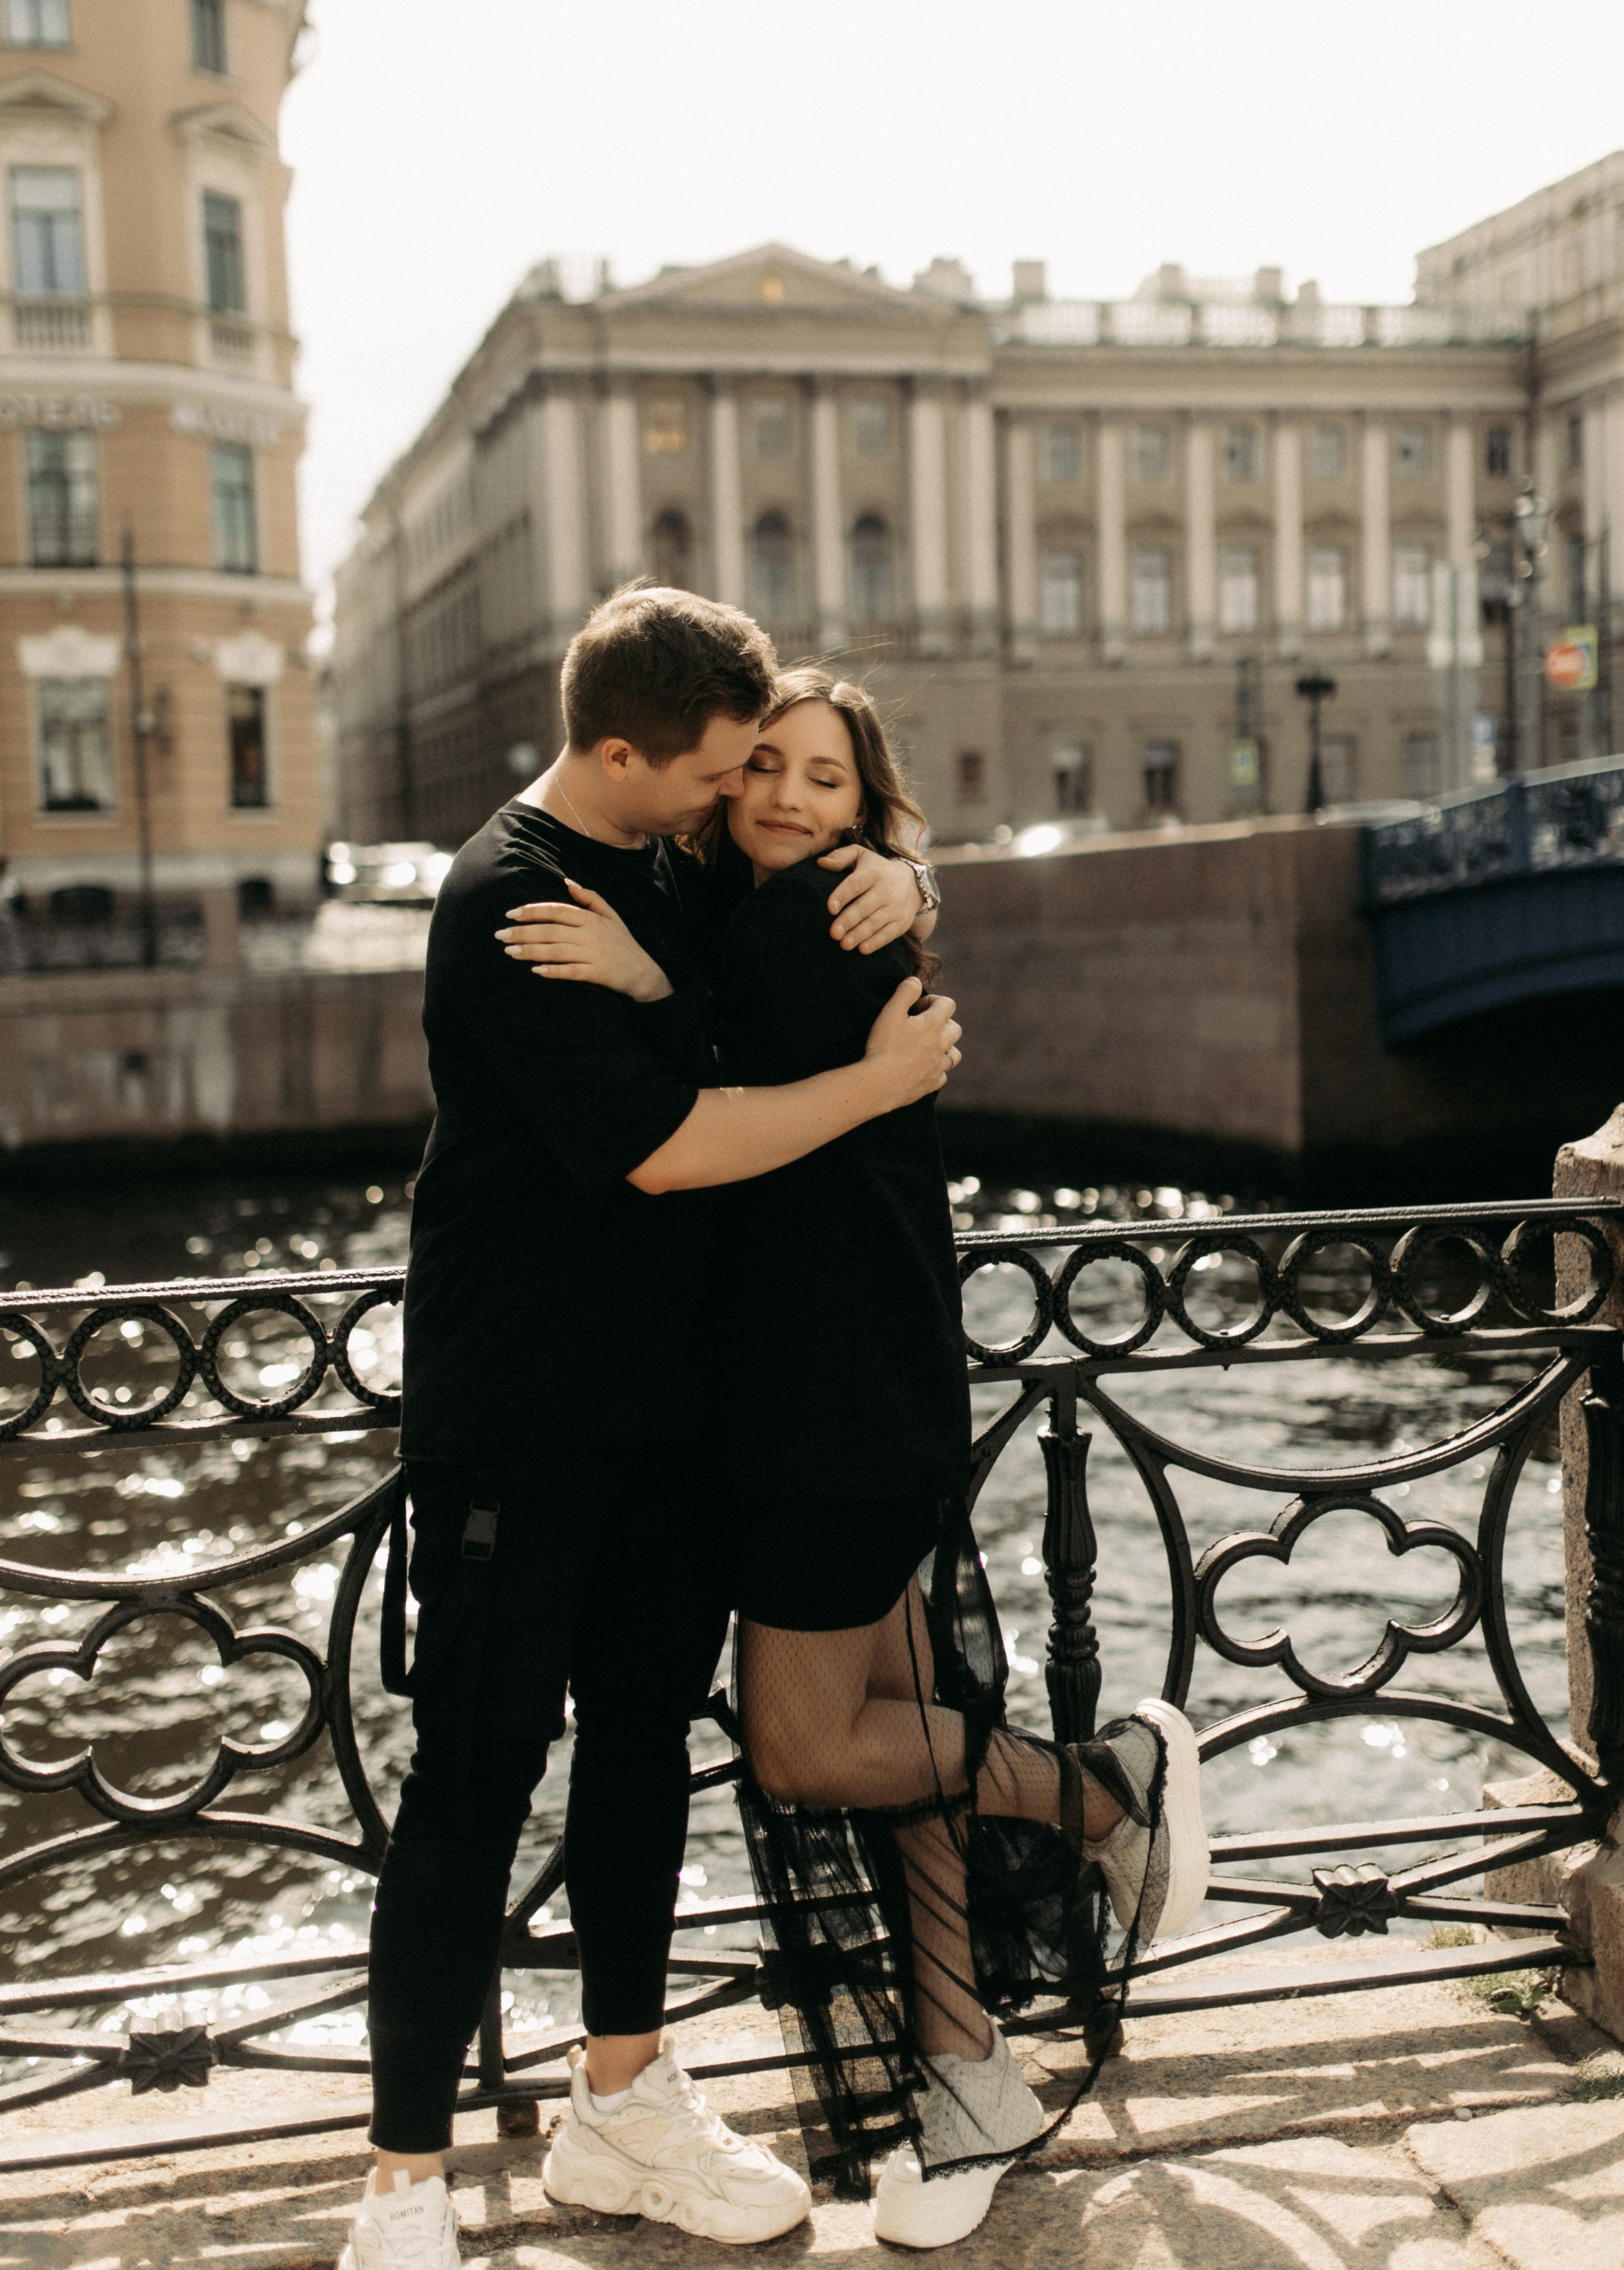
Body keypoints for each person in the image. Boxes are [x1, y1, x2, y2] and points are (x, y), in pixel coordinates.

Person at [498, 669, 1209, 2251]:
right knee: (902, 1739)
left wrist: (640, 981)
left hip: (830, 1398)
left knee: (809, 1748)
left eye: (826, 780)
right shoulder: (776, 905)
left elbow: (724, 1081)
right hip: (817, 1391)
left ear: (866, 808)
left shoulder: (819, 913)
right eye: (760, 767)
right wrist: (886, 878)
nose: (785, 799)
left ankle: (1106, 1795)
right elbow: (755, 1044)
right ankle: (967, 2075)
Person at [339, 589, 949, 2270]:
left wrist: (905, 872)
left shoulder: (667, 862)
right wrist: (877, 1090)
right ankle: (400, 2184)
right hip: (521, 1423)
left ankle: (622, 2106)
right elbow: (666, 1144)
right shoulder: (502, 900)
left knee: (633, 1768)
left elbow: (787, 911)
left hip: (677, 1422)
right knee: (471, 1786)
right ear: (620, 752)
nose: (733, 793)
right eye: (713, 768)